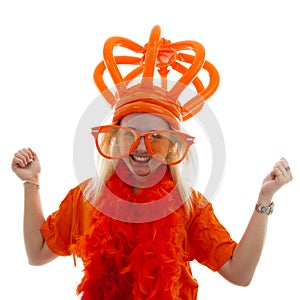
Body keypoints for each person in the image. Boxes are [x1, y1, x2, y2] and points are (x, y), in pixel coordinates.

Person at [11, 26, 292, 300]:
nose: (142, 147)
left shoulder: (189, 207)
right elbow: (37, 254)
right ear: (115, 140)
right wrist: (30, 182)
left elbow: (240, 274)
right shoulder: (87, 199)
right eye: (130, 135)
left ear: (172, 147)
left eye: (156, 138)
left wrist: (264, 198)